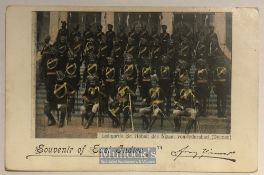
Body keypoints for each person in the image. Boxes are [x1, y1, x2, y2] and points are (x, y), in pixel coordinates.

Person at [43, 47, 60, 126]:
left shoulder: (57, 61)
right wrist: (46, 81)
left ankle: (54, 119)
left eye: (53, 52)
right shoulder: (46, 61)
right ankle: (51, 119)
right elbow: (44, 71)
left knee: (54, 101)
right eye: (51, 52)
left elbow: (59, 71)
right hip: (49, 82)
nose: (52, 53)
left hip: (55, 82)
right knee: (46, 106)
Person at [65, 51, 80, 123]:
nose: (71, 58)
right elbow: (65, 75)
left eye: (72, 57)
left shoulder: (75, 65)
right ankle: (68, 111)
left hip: (74, 82)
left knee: (73, 96)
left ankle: (72, 107)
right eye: (69, 57)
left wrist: (78, 84)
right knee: (68, 96)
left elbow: (78, 75)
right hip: (68, 82)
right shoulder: (67, 64)